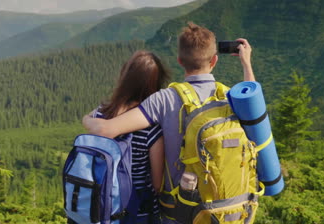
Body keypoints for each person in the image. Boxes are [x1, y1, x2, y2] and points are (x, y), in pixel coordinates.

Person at [83, 22, 255, 224]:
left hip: (179, 213)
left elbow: (106, 129)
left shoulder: (164, 99)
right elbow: (253, 105)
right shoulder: (230, 96)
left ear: (180, 61)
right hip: (228, 210)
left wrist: (87, 118)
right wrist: (246, 64)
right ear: (214, 60)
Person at [89, 50, 169, 224]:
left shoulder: (100, 113)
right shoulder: (152, 128)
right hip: (138, 211)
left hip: (102, 207)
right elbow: (157, 184)